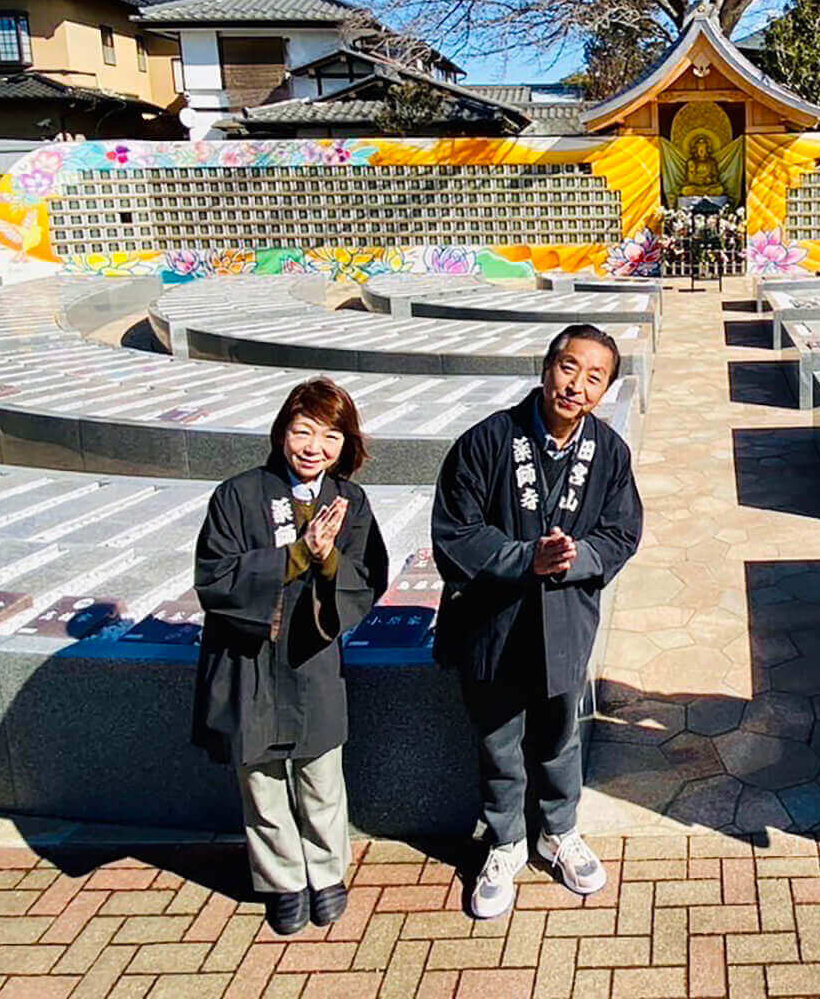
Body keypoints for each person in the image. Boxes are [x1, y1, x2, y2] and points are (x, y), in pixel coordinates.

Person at [432, 324, 644, 920]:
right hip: (493, 623)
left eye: (594, 377)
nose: (576, 386)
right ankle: (504, 844)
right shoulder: (485, 442)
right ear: (547, 368)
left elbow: (622, 530)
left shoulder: (608, 452)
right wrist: (528, 558)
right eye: (568, 368)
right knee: (499, 741)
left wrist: (581, 559)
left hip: (565, 621)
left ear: (605, 390)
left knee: (558, 736)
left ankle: (558, 832)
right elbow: (456, 533)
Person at [193, 377, 388, 935]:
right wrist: (296, 555)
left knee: (321, 774)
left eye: (330, 436)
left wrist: (328, 563)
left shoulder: (349, 502)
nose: (314, 447)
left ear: (345, 444)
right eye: (303, 431)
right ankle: (282, 881)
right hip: (248, 658)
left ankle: (326, 874)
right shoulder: (238, 495)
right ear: (282, 432)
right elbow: (214, 577)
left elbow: (366, 577)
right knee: (261, 780)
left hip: (312, 658)